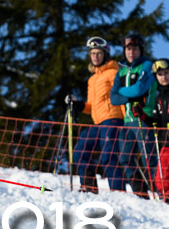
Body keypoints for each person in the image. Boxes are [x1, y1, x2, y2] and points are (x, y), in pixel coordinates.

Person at [66, 37, 125, 193]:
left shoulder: (114, 73)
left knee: (108, 157)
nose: (95, 56)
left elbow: (122, 97)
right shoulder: (92, 79)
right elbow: (91, 106)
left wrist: (126, 121)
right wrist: (78, 104)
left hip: (113, 119)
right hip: (98, 123)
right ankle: (89, 186)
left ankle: (118, 192)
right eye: (92, 53)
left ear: (105, 54)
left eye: (99, 53)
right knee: (79, 150)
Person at [110, 33, 157, 197]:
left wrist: (124, 91)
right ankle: (141, 193)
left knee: (148, 158)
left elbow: (139, 89)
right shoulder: (122, 71)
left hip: (143, 118)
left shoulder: (146, 65)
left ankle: (161, 192)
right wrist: (128, 93)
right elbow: (113, 98)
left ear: (140, 50)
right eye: (128, 49)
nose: (131, 52)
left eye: (135, 49)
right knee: (125, 158)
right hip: (127, 121)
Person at [132, 58, 169, 200]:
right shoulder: (159, 98)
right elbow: (156, 122)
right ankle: (166, 197)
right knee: (161, 176)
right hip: (166, 143)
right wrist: (142, 115)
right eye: (160, 75)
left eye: (166, 73)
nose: (164, 77)